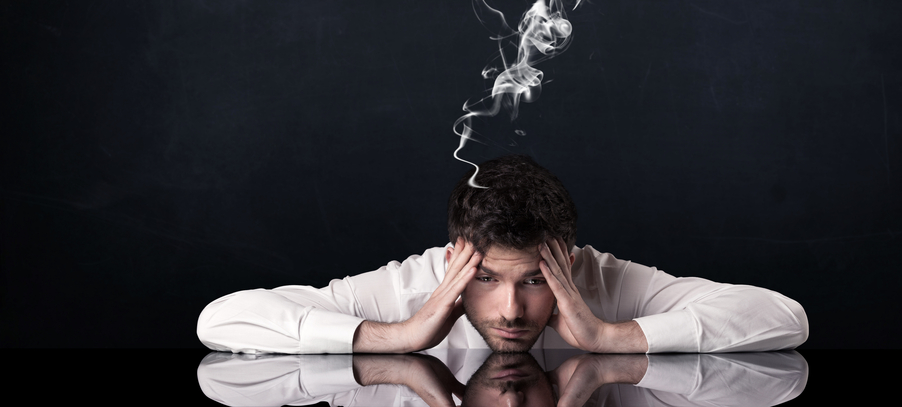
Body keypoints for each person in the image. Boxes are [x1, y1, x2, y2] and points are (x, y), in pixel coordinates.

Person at [198, 155, 808, 354]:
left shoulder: (604, 280)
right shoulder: (414, 286)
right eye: (486, 278)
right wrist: (394, 335)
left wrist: (612, 337)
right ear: (455, 256)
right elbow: (219, 319)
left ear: (565, 259)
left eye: (537, 280)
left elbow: (786, 318)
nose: (510, 311)